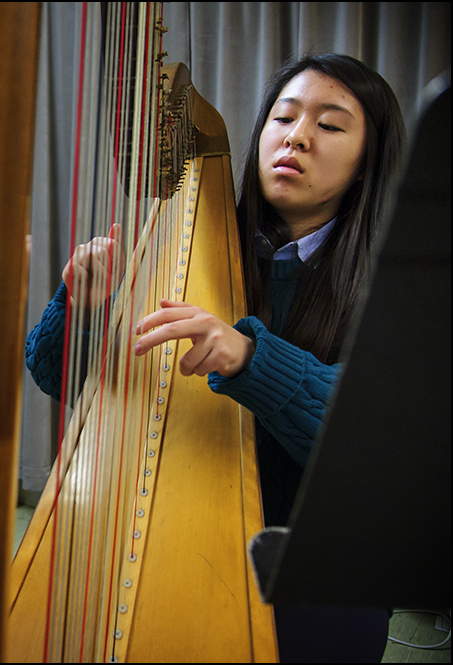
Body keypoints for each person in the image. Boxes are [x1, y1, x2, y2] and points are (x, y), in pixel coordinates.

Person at [25, 53, 405, 661]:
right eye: (283, 118)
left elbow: (379, 448)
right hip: (189, 517)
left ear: (366, 164)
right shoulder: (193, 246)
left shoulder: (394, 284)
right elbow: (55, 376)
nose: (298, 137)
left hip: (320, 557)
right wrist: (82, 305)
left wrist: (252, 358)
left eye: (330, 126)